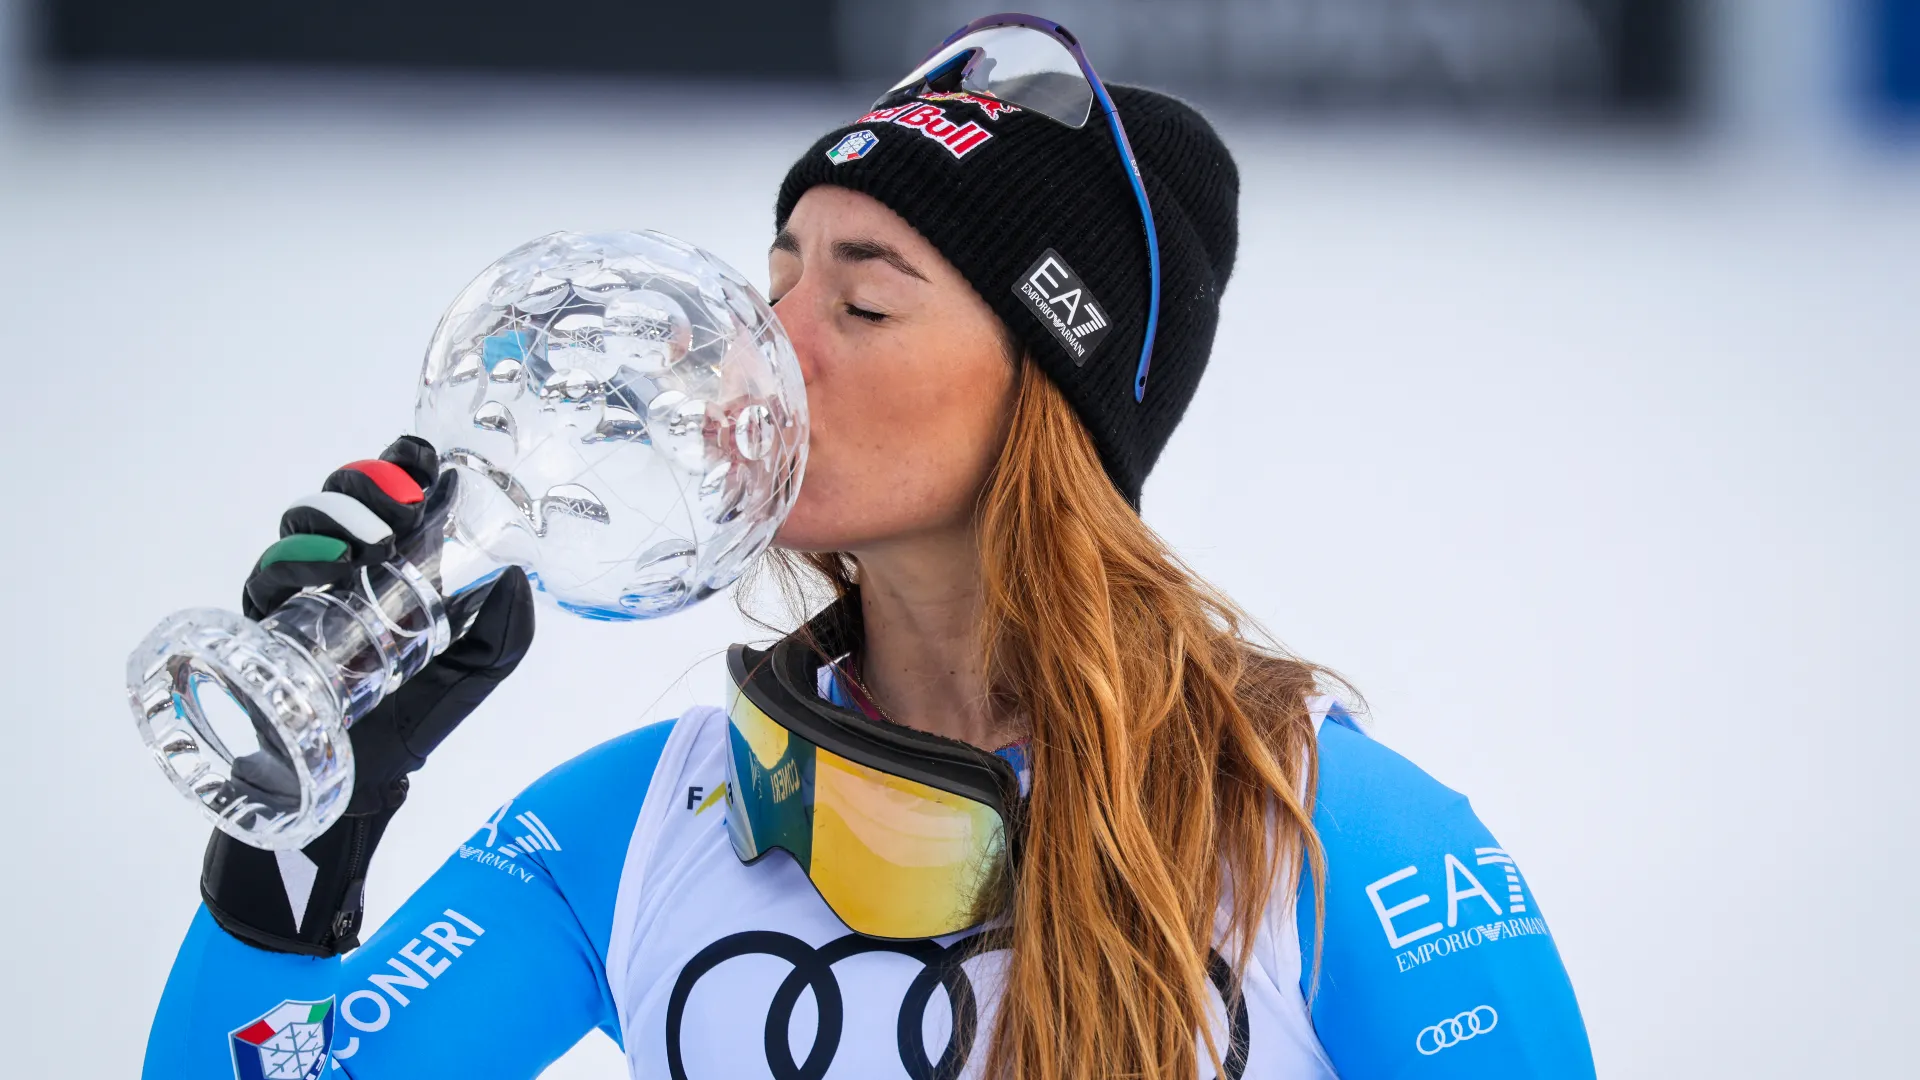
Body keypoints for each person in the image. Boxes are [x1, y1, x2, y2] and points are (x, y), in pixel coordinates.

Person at [145, 16, 1595, 1080]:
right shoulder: (646, 823)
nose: (755, 356)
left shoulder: (1333, 837)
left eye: (865, 302)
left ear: (1050, 396)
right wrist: (308, 817)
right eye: (772, 282)